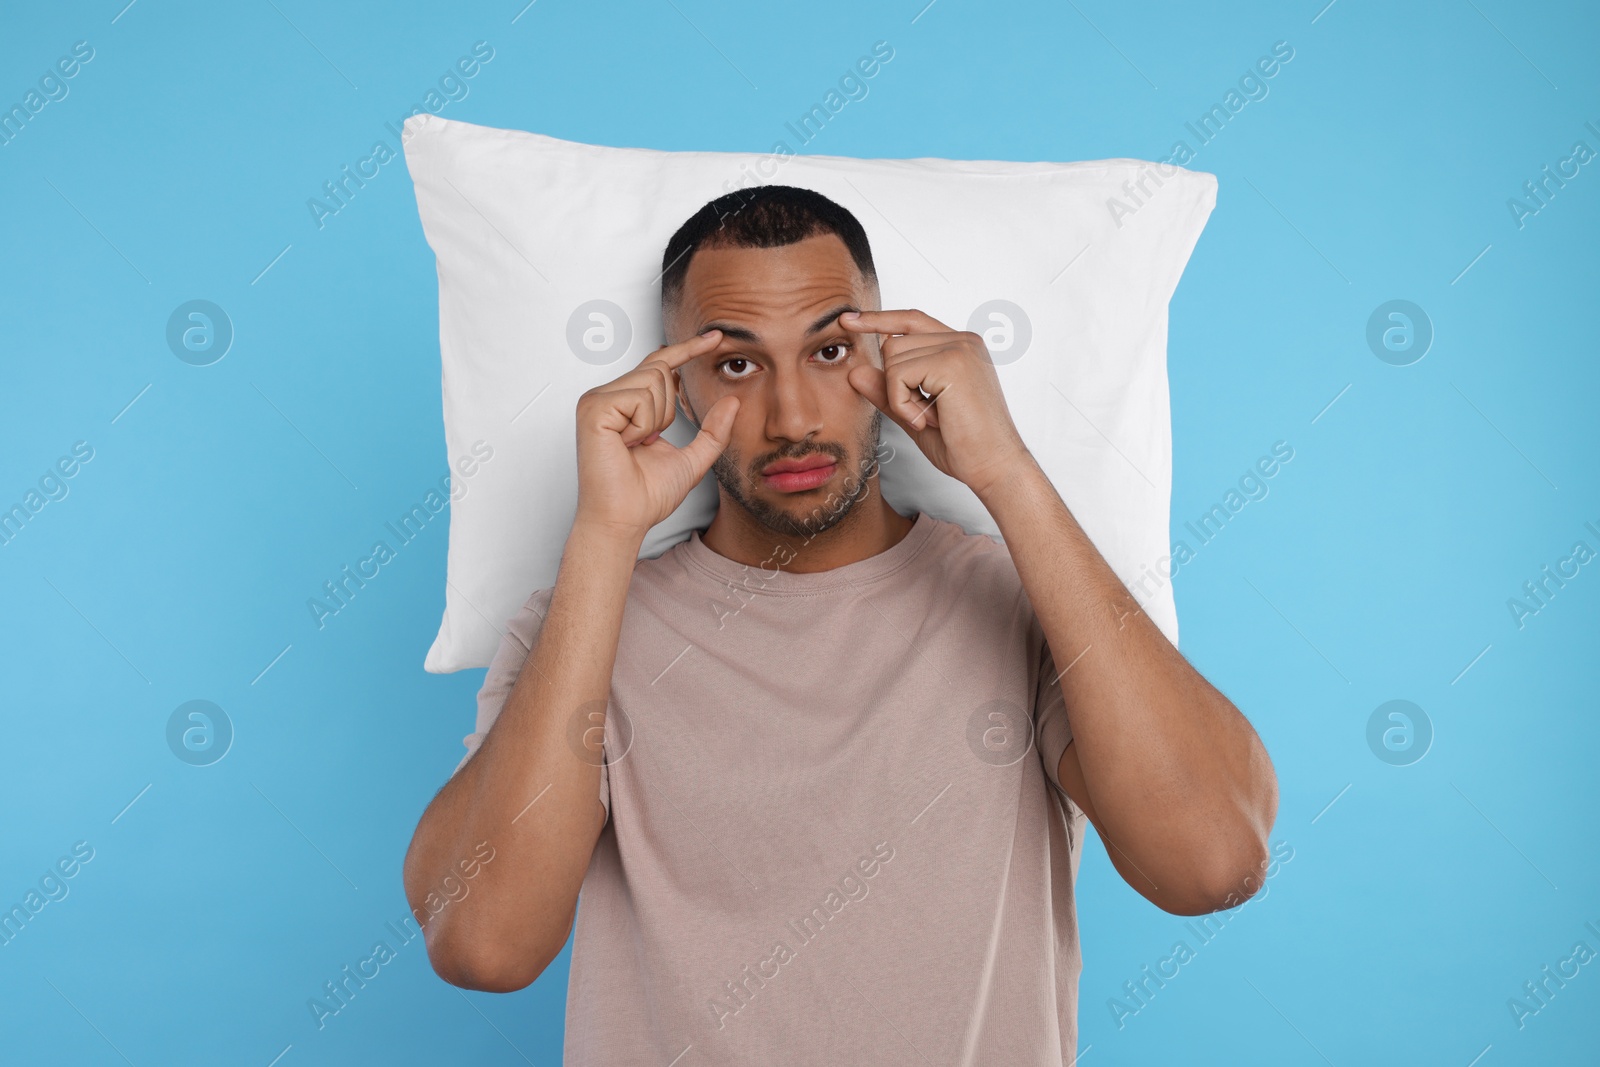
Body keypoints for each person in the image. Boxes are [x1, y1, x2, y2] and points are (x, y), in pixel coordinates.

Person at [402, 184, 1278, 1064]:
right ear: (678, 387)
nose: (793, 418)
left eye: (828, 350)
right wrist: (603, 537)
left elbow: (1210, 865)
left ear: (887, 355)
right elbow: (485, 943)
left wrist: (1006, 469)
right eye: (738, 364)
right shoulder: (579, 627)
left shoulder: (1023, 603)